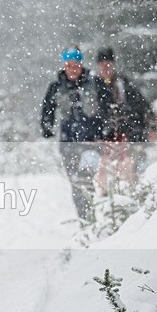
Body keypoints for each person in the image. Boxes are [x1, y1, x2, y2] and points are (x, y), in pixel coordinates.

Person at [41, 46, 113, 222]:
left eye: (76, 65)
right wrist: (47, 127)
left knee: (86, 178)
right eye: (69, 65)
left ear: (81, 65)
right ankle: (85, 220)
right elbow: (47, 109)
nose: (72, 69)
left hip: (92, 141)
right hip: (68, 142)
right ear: (64, 66)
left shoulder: (95, 83)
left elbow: (108, 107)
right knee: (76, 184)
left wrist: (107, 130)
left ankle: (99, 218)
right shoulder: (57, 87)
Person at [95, 47, 157, 191]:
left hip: (129, 136)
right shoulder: (95, 86)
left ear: (113, 64)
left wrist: (152, 128)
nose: (106, 67)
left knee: (130, 172)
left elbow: (143, 106)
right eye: (102, 64)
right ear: (98, 66)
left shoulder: (124, 84)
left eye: (108, 63)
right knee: (104, 176)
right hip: (105, 139)